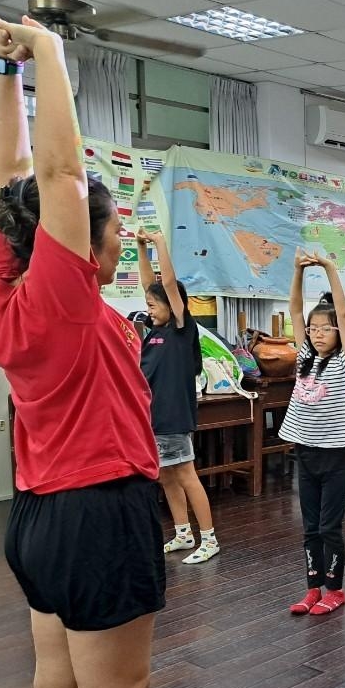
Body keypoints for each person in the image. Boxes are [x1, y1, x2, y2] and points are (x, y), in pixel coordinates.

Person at [0, 9, 202, 688]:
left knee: (56, 686)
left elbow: (12, 177)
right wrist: (49, 51)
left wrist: (4, 75)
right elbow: (59, 176)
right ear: (76, 243)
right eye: (108, 229)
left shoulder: (1, 289)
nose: (114, 239)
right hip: (99, 514)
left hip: (37, 518)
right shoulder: (64, 296)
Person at [281, 249, 345, 615]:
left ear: (340, 333)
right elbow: (295, 310)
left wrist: (329, 267)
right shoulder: (305, 358)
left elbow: (342, 313)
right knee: (310, 527)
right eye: (313, 329)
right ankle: (313, 588)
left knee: (330, 527)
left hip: (335, 458)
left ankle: (335, 590)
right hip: (306, 453)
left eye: (324, 329)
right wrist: (298, 271)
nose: (316, 334)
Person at [136, 228, 219, 565]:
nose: (149, 309)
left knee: (185, 474)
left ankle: (209, 538)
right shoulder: (154, 330)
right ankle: (183, 533)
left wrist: (159, 244)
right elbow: (150, 285)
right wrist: (140, 248)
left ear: (173, 305)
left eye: (154, 305)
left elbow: (167, 285)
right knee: (166, 476)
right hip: (153, 417)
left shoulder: (181, 330)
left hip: (173, 417)